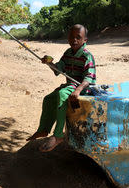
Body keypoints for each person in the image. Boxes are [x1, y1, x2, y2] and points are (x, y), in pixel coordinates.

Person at [26, 24, 96, 152]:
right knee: (48, 99)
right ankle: (43, 129)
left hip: (82, 87)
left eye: (78, 37)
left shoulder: (87, 56)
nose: (74, 40)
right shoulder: (68, 53)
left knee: (62, 94)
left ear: (84, 40)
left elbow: (89, 78)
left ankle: (58, 135)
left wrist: (78, 90)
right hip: (70, 85)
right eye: (71, 37)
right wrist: (49, 63)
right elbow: (58, 70)